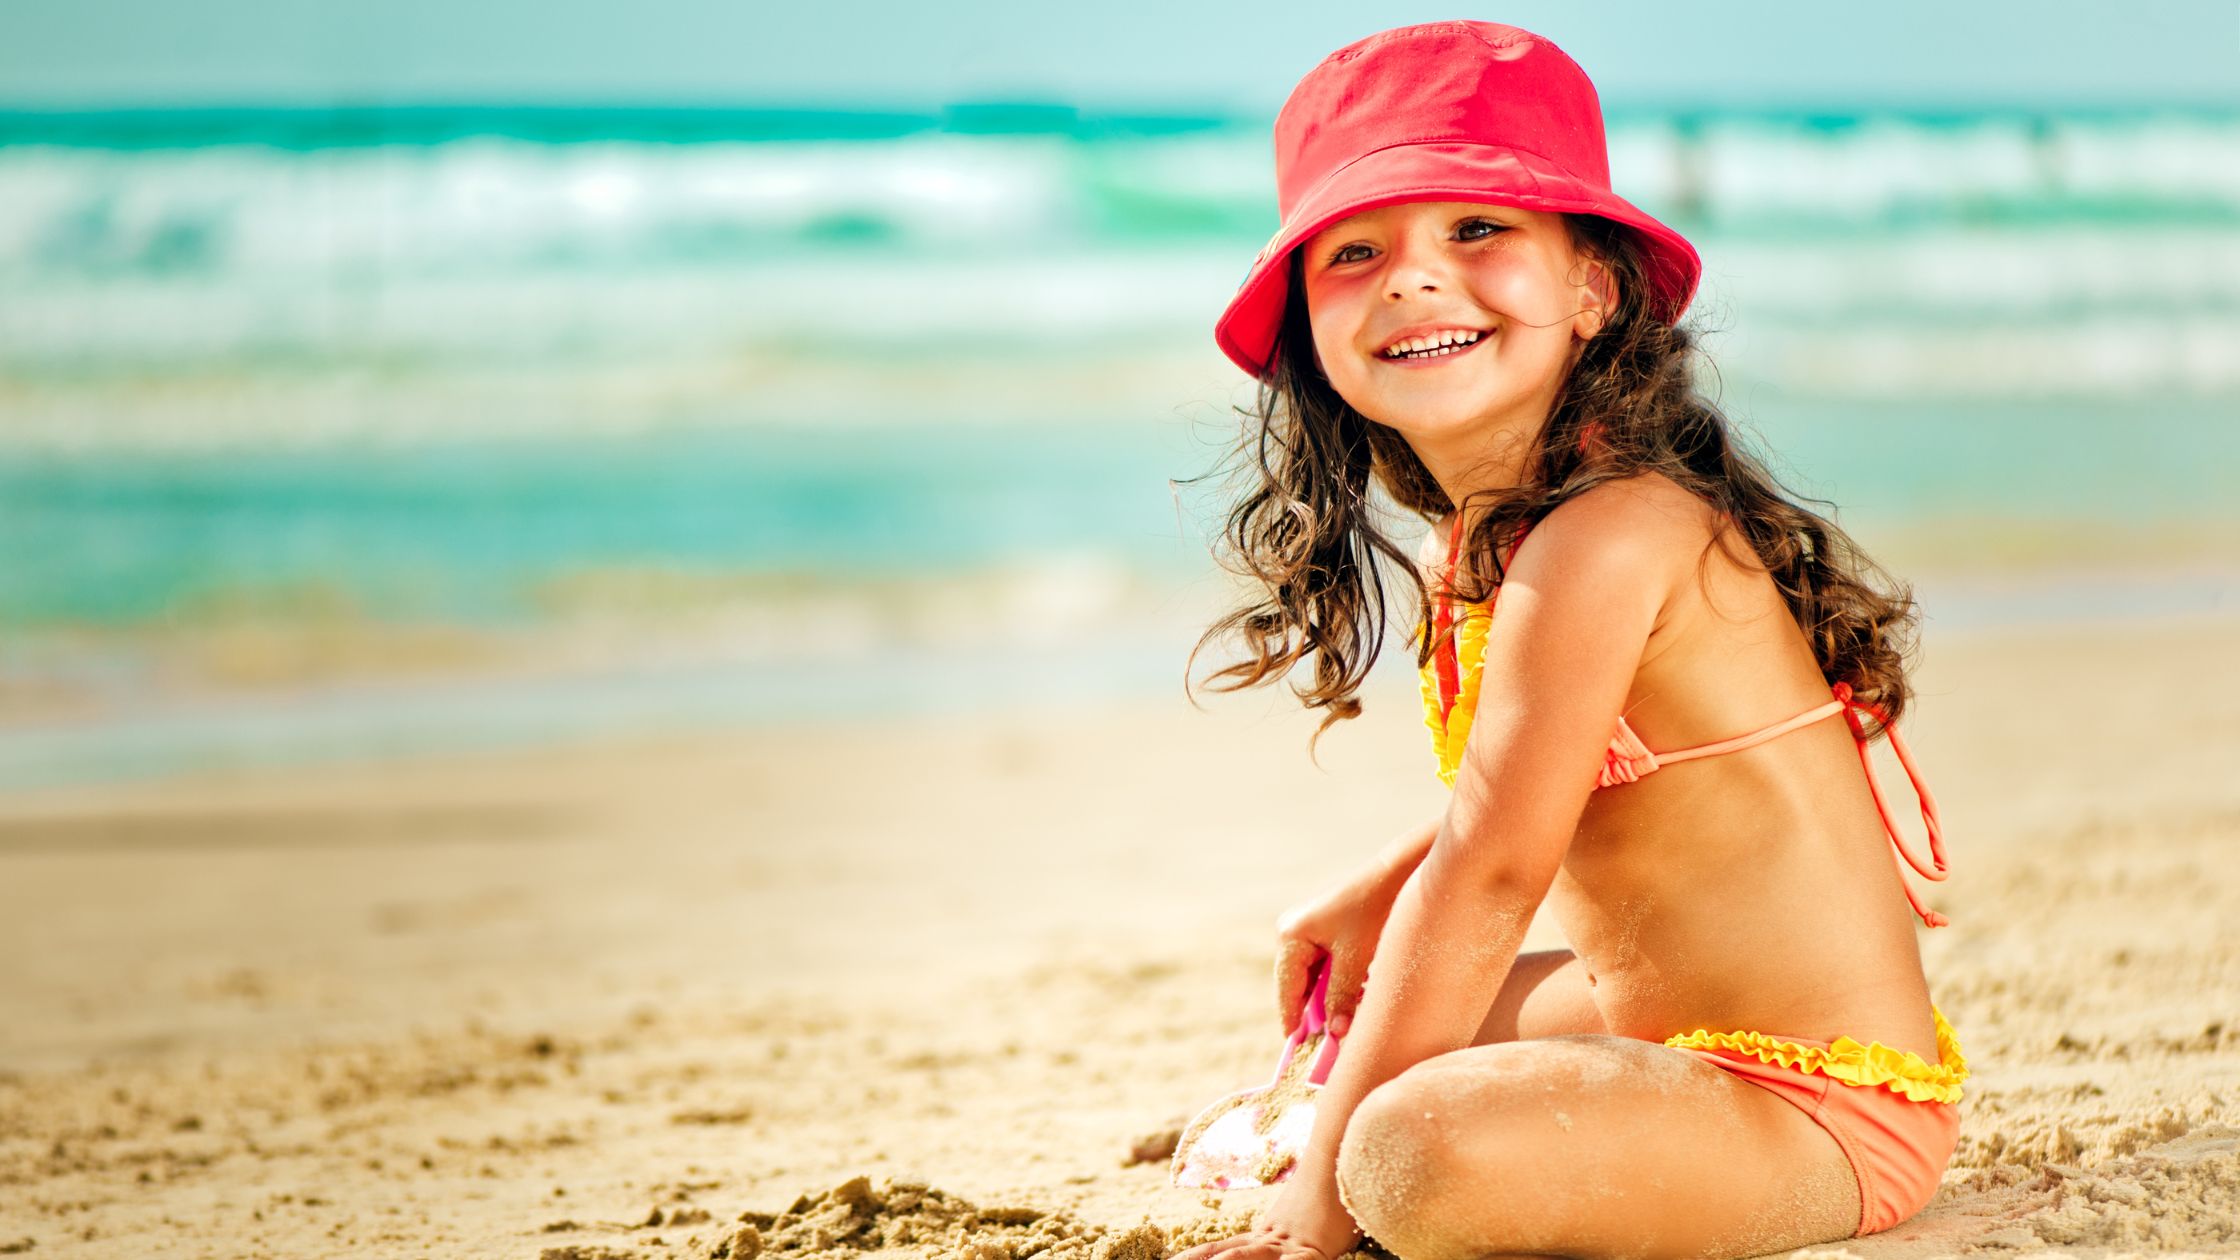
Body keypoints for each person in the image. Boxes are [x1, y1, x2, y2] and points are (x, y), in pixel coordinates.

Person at [1174, 21, 1966, 1260]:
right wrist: (1383, 885)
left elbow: (1493, 872)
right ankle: (1334, 1123)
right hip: (1651, 1035)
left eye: (1476, 230)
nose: (1412, 278)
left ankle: (1326, 1159)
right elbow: (1547, 792)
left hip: (1814, 1108)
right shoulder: (1484, 548)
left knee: (1401, 1149)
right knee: (1383, 1016)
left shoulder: (1610, 536)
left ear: (1592, 288)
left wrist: (1322, 1196)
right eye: (1355, 251)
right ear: (1316, 344)